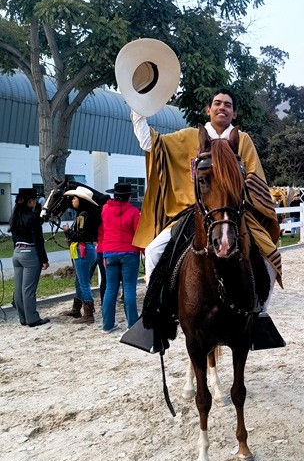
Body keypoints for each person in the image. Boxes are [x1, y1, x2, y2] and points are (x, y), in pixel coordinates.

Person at [130, 87, 282, 307]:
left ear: (234, 113)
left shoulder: (243, 140)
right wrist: (138, 109)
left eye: (228, 105)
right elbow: (151, 144)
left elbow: (254, 176)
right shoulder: (187, 137)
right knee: (153, 251)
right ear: (208, 109)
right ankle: (156, 308)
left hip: (235, 213)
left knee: (271, 256)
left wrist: (236, 191)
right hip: (193, 212)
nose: (222, 108)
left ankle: (261, 311)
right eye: (217, 103)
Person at [99, 182, 142, 333]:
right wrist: (144, 251)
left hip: (109, 252)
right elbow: (138, 234)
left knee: (110, 288)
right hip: (129, 252)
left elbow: (103, 230)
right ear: (129, 196)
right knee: (129, 288)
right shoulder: (134, 212)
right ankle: (132, 324)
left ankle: (107, 325)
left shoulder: (105, 209)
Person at [8, 187, 50, 327]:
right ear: (31, 201)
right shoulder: (32, 218)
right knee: (29, 289)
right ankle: (32, 318)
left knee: (19, 289)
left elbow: (14, 237)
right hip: (30, 254)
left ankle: (23, 318)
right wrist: (44, 260)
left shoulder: (14, 217)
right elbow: (38, 240)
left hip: (17, 253)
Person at [61, 186, 102, 324]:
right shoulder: (89, 214)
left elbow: (80, 235)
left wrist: (67, 231)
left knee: (83, 283)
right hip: (88, 249)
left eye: (74, 198)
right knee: (79, 281)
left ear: (81, 200)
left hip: (82, 250)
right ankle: (77, 309)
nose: (72, 200)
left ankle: (88, 314)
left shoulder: (82, 215)